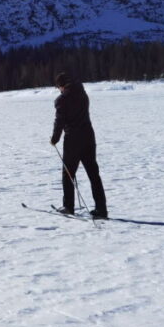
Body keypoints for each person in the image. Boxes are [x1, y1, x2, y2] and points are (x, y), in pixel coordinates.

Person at [50, 72, 107, 219]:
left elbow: (59, 122)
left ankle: (69, 207)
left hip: (73, 140)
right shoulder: (83, 93)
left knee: (68, 174)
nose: (59, 90)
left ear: (61, 86)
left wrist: (54, 139)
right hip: (88, 136)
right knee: (94, 174)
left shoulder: (62, 100)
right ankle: (101, 209)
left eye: (58, 87)